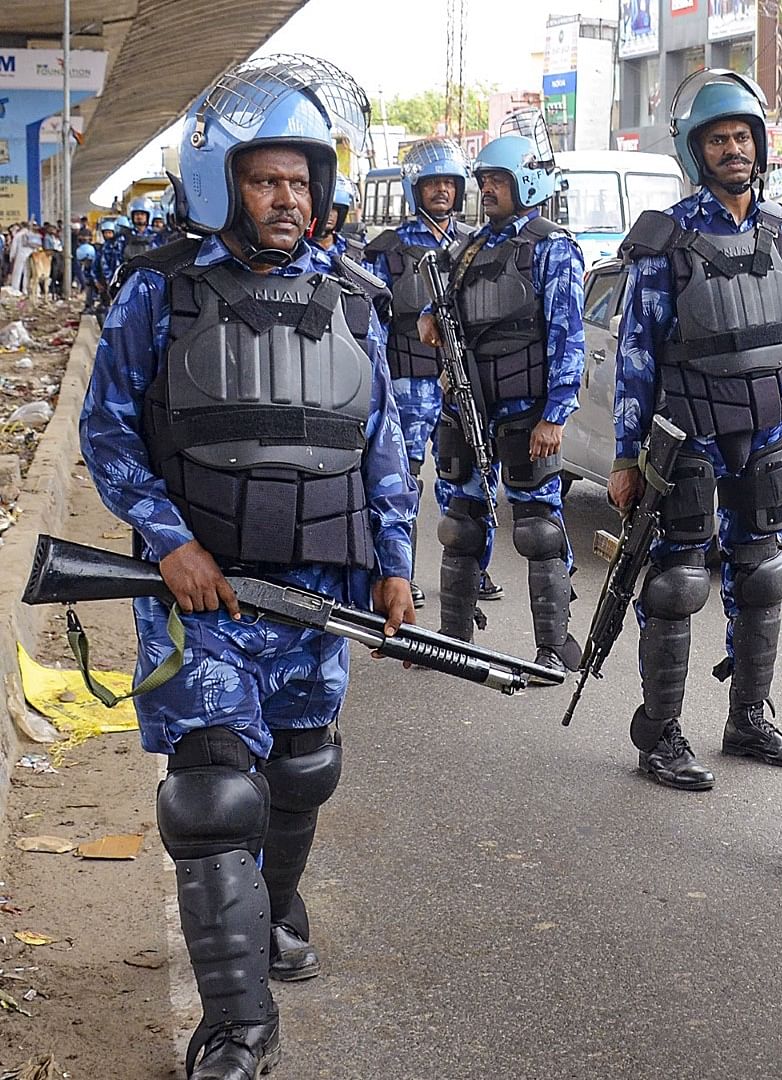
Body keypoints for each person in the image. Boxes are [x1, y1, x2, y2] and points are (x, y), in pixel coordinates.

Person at [76, 58, 416, 1080]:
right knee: (216, 794)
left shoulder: (358, 303)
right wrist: (168, 541)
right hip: (204, 598)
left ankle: (271, 909)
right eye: (267, 180)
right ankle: (237, 1027)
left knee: (301, 770)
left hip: (318, 593)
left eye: (302, 181)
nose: (288, 199)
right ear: (223, 182)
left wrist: (395, 563)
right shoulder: (160, 296)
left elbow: (383, 445)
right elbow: (108, 432)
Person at [608, 69, 782, 789]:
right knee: (676, 583)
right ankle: (661, 732)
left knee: (764, 573)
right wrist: (628, 457)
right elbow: (635, 352)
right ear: (698, 151)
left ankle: (747, 716)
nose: (734, 149)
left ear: (759, 145)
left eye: (743, 136)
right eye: (719, 138)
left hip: (763, 427)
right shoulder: (667, 239)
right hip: (687, 428)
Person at [417, 120, 586, 672]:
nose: (486, 189)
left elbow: (568, 334)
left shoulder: (553, 249)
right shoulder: (465, 249)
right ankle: (453, 638)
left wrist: (556, 413)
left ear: (526, 183)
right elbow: (447, 310)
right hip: (467, 407)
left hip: (526, 412)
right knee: (460, 522)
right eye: (483, 180)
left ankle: (552, 647)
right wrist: (429, 321)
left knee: (538, 527)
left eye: (498, 180)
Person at [362, 137, 480, 609]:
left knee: (465, 478)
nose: (441, 193)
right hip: (407, 379)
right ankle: (400, 575)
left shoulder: (473, 246)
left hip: (458, 380)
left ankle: (472, 571)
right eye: (431, 185)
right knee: (403, 481)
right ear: (416, 190)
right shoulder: (387, 249)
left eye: (448, 185)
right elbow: (370, 323)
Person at [122, 197, 162, 261]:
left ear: (148, 216)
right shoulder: (124, 236)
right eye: (137, 214)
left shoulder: (157, 236)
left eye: (142, 214)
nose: (139, 217)